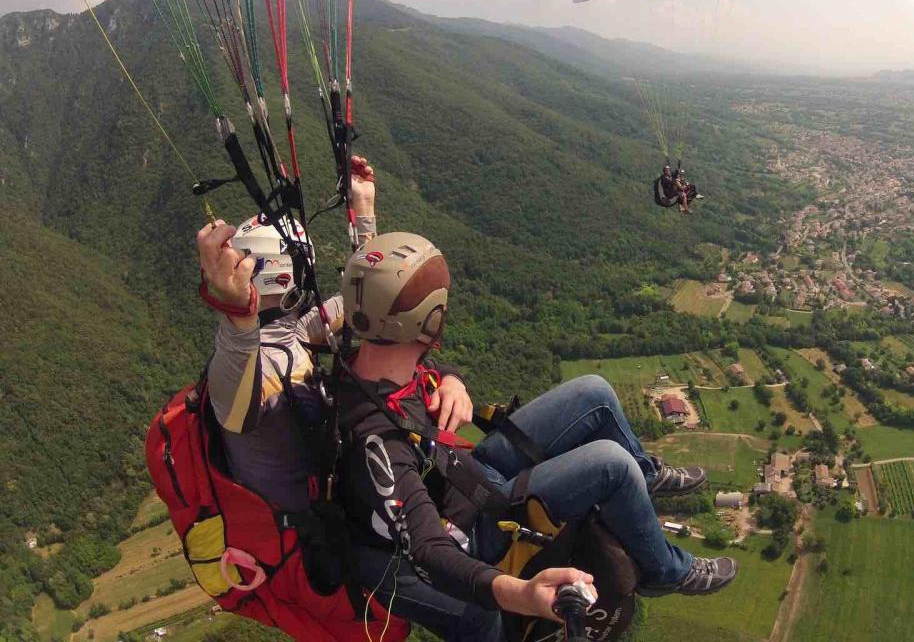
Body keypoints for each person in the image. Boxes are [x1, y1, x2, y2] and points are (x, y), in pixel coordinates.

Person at [336, 232, 739, 641]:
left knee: (594, 393)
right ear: (431, 321)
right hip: (473, 527)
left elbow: (398, 327)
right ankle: (666, 570)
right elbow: (428, 551)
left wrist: (450, 378)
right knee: (611, 465)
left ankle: (645, 477)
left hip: (467, 474)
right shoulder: (377, 443)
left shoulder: (360, 352)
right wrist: (521, 593)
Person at [195, 155, 377, 514]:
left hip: (330, 524)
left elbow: (368, 300)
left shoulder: (297, 332)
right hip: (304, 551)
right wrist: (237, 308)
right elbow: (239, 349)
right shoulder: (242, 374)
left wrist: (363, 206)